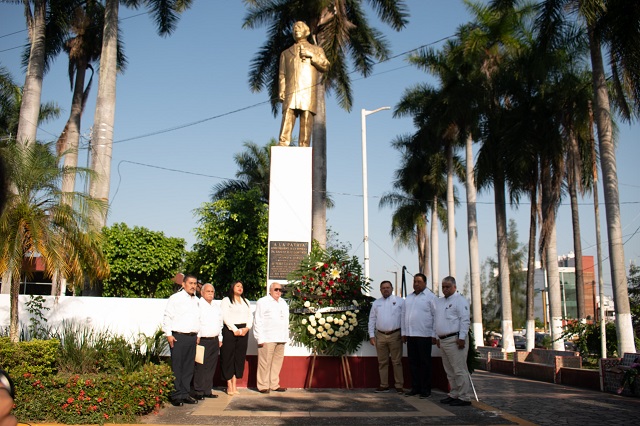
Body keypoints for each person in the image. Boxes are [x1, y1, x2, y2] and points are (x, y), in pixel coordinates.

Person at [278, 21, 330, 147]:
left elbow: (326, 65)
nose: (296, 30)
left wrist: (311, 55)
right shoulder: (285, 53)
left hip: (307, 90)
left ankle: (304, 145)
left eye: (299, 27)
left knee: (306, 117)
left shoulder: (316, 50)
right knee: (288, 115)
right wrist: (282, 89)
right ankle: (283, 142)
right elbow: (282, 74)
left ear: (307, 31)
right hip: (291, 90)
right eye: (294, 28)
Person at [162, 274, 200, 407]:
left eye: (195, 283)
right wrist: (168, 334)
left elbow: (198, 318)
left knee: (189, 367)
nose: (193, 286)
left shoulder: (196, 300)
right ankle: (176, 395)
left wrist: (198, 334)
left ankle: (185, 393)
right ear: (183, 284)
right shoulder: (175, 298)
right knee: (177, 366)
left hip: (192, 337)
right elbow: (167, 316)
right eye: (190, 283)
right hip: (178, 336)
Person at [434, 276, 473, 407]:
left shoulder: (460, 300)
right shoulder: (439, 302)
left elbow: (465, 320)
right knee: (449, 370)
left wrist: (462, 337)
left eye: (448, 287)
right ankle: (454, 394)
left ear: (454, 287)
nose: (445, 289)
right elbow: (437, 321)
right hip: (444, 340)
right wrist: (437, 337)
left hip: (455, 339)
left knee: (459, 369)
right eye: (443, 287)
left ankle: (464, 397)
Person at [401, 273, 437, 399]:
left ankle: (425, 389)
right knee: (413, 363)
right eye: (415, 281)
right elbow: (403, 316)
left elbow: (436, 317)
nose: (416, 284)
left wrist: (434, 334)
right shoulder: (409, 298)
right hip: (411, 335)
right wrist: (404, 333)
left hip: (425, 335)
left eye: (419, 281)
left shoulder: (431, 297)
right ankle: (415, 387)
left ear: (425, 283)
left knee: (425, 363)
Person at [368, 280, 404, 394]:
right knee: (382, 362)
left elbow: (404, 318)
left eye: (388, 287)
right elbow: (372, 319)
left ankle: (399, 385)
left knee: (396, 361)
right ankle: (384, 385)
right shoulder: (376, 303)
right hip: (380, 335)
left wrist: (404, 334)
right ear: (380, 290)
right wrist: (371, 335)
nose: (386, 289)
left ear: (392, 288)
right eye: (383, 288)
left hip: (395, 335)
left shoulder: (399, 301)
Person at [253, 282, 290, 394]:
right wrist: (259, 338)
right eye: (276, 289)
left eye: (280, 290)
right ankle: (263, 385)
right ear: (270, 290)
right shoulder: (263, 302)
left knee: (277, 363)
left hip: (281, 337)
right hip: (267, 337)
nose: (279, 292)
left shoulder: (283, 302)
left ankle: (274, 384)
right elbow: (257, 320)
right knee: (264, 363)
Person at [220, 281, 253, 396]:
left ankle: (235, 383)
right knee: (228, 356)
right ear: (232, 287)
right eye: (237, 286)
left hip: (243, 331)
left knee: (239, 356)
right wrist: (235, 330)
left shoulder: (246, 301)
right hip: (230, 330)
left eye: (242, 286)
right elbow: (225, 317)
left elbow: (250, 316)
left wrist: (247, 328)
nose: (240, 288)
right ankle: (229, 384)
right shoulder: (226, 300)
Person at [193, 283, 223, 400]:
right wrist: (198, 335)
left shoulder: (216, 306)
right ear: (202, 292)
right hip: (202, 340)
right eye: (208, 291)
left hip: (214, 340)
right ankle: (199, 391)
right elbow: (197, 321)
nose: (210, 294)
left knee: (211, 366)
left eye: (212, 292)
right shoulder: (198, 305)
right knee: (200, 366)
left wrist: (220, 338)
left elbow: (220, 323)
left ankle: (207, 390)